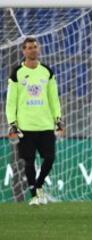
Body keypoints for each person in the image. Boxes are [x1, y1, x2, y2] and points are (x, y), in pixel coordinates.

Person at [6, 37, 64, 206]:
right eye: (29, 47)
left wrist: (58, 119)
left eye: (35, 47)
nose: (33, 50)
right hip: (25, 126)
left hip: (46, 125)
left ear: (38, 50)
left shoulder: (47, 72)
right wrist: (13, 123)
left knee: (50, 158)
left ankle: (38, 185)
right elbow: (11, 101)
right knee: (29, 161)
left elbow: (54, 98)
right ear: (23, 51)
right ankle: (34, 195)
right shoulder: (16, 73)